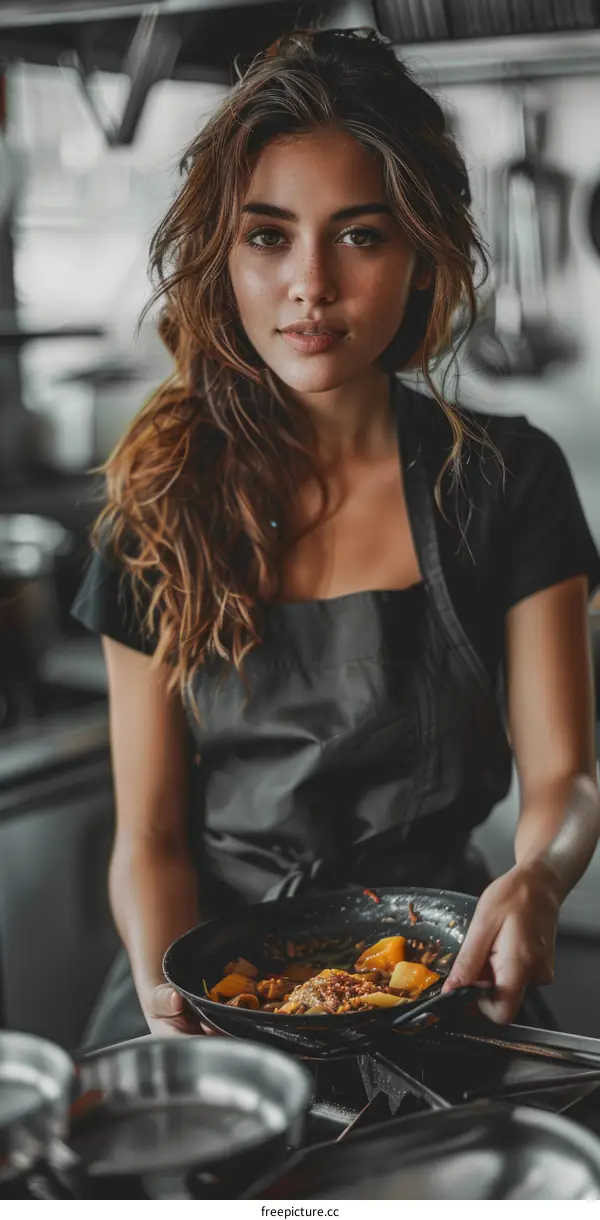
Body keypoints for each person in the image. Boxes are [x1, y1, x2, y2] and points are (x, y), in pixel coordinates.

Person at [72, 26, 600, 1047]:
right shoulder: (159, 500)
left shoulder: (505, 479)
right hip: (204, 979)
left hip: (445, 979)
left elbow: (563, 779)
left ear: (419, 253)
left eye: (361, 234)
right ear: (221, 254)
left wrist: (535, 878)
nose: (310, 283)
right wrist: (170, 993)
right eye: (268, 235)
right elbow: (151, 835)